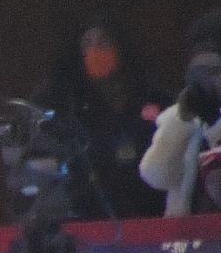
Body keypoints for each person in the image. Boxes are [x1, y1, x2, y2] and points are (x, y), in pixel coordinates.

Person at [31, 13, 168, 218]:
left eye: (104, 42)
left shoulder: (152, 95)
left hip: (150, 212)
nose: (95, 51)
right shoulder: (67, 102)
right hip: (88, 215)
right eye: (87, 44)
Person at [139, 11, 221, 217]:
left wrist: (215, 119)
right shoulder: (180, 117)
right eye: (199, 74)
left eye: (215, 72)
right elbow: (155, 176)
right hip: (188, 239)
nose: (207, 82)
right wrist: (180, 122)